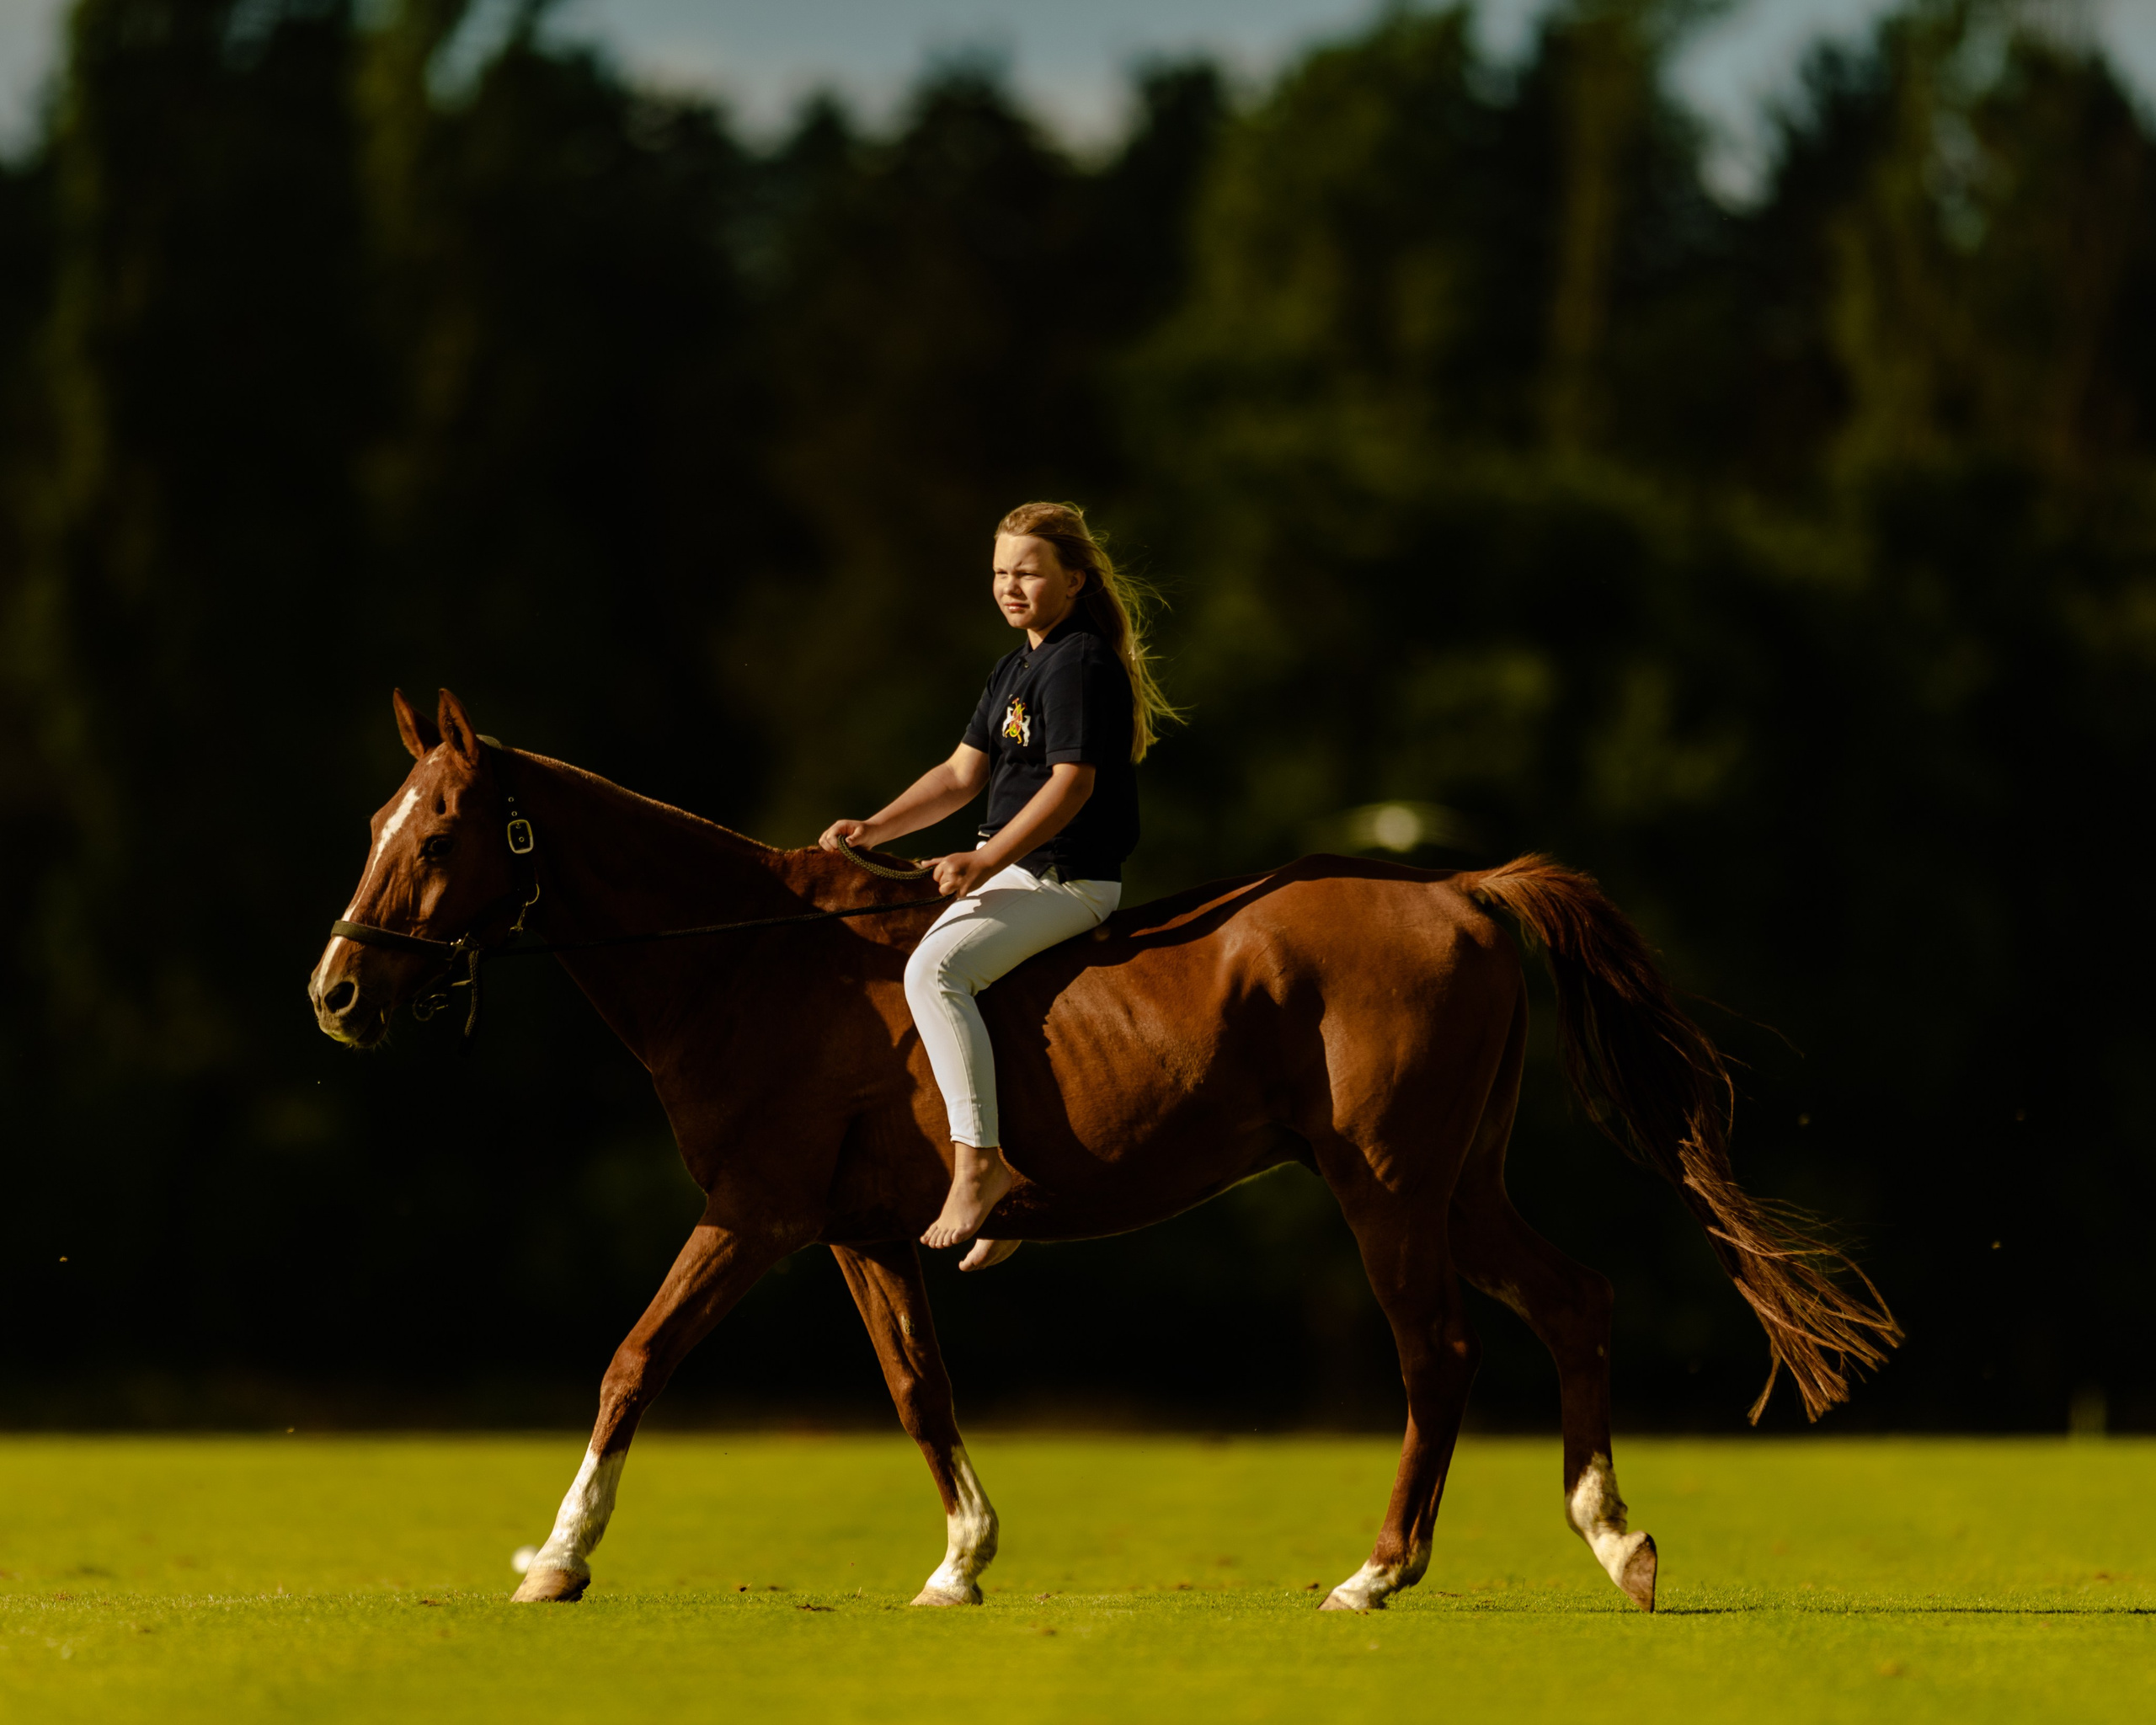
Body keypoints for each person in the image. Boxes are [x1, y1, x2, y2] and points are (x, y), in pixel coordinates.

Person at [819, 501, 1177, 1272]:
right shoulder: (1017, 666)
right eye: (999, 573)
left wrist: (985, 860)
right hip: (1020, 869)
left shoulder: (1078, 662)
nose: (1010, 587)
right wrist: (875, 828)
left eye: (1028, 573)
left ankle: (979, 1167)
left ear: (1075, 580)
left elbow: (1073, 787)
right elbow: (960, 776)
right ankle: (1013, 1190)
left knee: (935, 972)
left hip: (1066, 878)